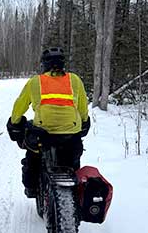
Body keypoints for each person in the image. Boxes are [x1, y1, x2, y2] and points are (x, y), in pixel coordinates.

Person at [6, 48, 90, 197]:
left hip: (44, 134)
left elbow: (19, 106)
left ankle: (32, 188)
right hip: (71, 134)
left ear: (44, 64)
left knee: (33, 156)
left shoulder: (35, 82)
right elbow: (83, 106)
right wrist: (84, 121)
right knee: (74, 162)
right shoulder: (74, 80)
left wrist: (14, 122)